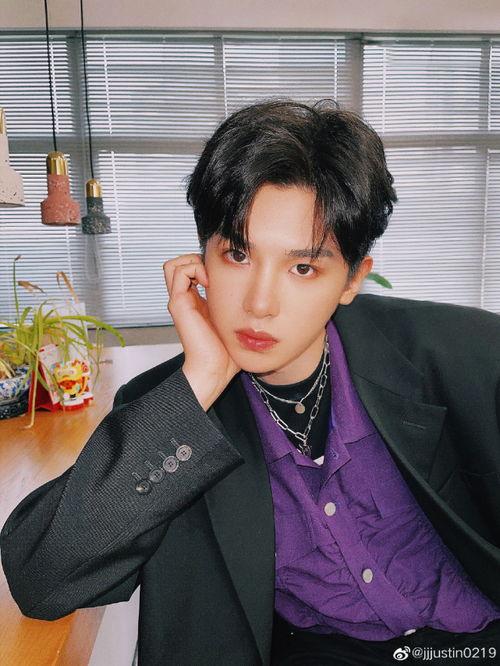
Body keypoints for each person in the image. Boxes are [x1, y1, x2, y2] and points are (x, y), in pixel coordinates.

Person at [1, 99, 500, 666]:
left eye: (302, 268)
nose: (260, 303)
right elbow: (41, 578)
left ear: (351, 279)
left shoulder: (462, 355)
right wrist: (203, 378)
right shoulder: (174, 410)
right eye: (237, 254)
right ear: (201, 261)